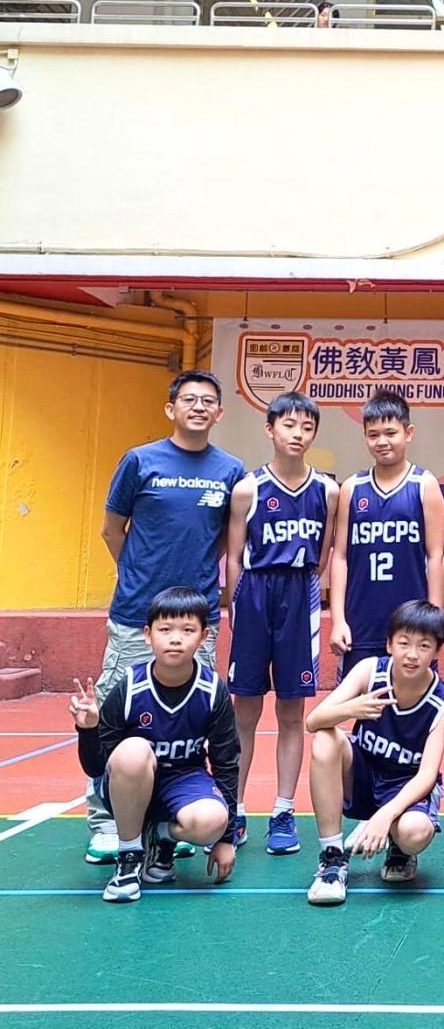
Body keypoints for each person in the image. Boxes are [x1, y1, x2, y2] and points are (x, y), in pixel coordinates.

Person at [87, 369, 245, 866]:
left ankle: (169, 819)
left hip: (200, 618)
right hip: (136, 614)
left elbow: (225, 542)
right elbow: (112, 529)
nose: (198, 407)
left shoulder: (231, 470)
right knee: (114, 718)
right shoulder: (140, 460)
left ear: (219, 413)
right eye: (189, 399)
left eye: (208, 401)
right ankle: (106, 821)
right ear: (170, 408)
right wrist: (137, 576)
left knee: (190, 719)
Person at [69, 588, 239, 903]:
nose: (175, 639)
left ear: (204, 637)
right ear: (148, 635)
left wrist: (225, 838)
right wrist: (88, 729)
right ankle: (129, 858)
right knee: (133, 750)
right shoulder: (130, 687)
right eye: (165, 629)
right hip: (128, 787)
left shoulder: (213, 691)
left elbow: (226, 763)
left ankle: (160, 836)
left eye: (187, 630)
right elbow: (95, 768)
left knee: (213, 820)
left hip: (184, 780)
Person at [224, 391, 338, 854]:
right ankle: (233, 808)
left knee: (293, 712)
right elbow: (234, 556)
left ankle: (283, 810)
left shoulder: (327, 491)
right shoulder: (248, 489)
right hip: (254, 594)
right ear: (270, 429)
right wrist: (236, 610)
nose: (298, 434)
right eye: (289, 425)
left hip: (299, 595)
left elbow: (324, 554)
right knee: (244, 710)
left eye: (307, 427)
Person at [305, 601, 444, 905]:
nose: (412, 654)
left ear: (437, 651)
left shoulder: (442, 699)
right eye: (404, 643)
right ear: (389, 644)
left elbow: (427, 775)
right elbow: (312, 721)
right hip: (363, 776)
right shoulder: (369, 671)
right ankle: (332, 858)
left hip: (404, 787)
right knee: (325, 739)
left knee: (414, 832)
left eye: (424, 646)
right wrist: (352, 709)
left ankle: (399, 848)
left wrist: (386, 815)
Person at [328, 390, 444, 677]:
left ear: (409, 433)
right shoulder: (353, 488)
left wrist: (435, 618)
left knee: (414, 699)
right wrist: (338, 619)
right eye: (373, 434)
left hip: (412, 622)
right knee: (358, 698)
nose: (382, 441)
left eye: (390, 433)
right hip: (360, 622)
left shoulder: (424, 484)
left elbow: (436, 556)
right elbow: (340, 556)